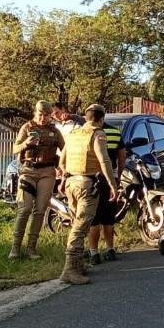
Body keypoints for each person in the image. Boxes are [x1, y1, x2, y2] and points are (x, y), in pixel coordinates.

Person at [57, 103, 117, 285]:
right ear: (102, 119)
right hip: (86, 184)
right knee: (81, 226)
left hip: (71, 183)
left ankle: (78, 265)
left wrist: (64, 179)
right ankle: (69, 270)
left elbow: (62, 162)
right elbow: (104, 160)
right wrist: (112, 184)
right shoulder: (98, 134)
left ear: (86, 117)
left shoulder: (74, 134)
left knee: (77, 223)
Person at [9, 101, 64, 260]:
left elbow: (64, 149)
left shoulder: (54, 131)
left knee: (40, 210)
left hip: (47, 172)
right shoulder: (27, 127)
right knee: (25, 208)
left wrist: (62, 167)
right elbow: (14, 148)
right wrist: (26, 143)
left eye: (46, 115)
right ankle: (15, 248)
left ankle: (31, 248)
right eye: (40, 115)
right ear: (35, 113)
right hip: (28, 171)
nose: (43, 118)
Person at [87, 118, 126, 264]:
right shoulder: (115, 132)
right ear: (102, 118)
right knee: (109, 217)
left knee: (94, 218)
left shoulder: (83, 133)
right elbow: (122, 156)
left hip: (91, 179)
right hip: (111, 179)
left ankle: (93, 253)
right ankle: (110, 250)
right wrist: (118, 177)